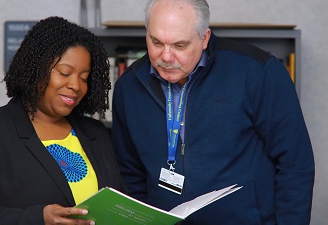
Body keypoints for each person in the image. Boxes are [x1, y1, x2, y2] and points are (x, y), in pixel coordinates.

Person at [111, 0, 315, 224]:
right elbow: (130, 175)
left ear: (204, 38)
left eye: (179, 46)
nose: (166, 57)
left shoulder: (257, 72)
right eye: (156, 42)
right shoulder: (128, 87)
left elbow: (295, 164)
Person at [0, 16, 124, 225]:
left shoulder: (96, 132)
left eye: (84, 77)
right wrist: (37, 218)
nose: (76, 85)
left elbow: (118, 200)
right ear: (37, 68)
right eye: (65, 73)